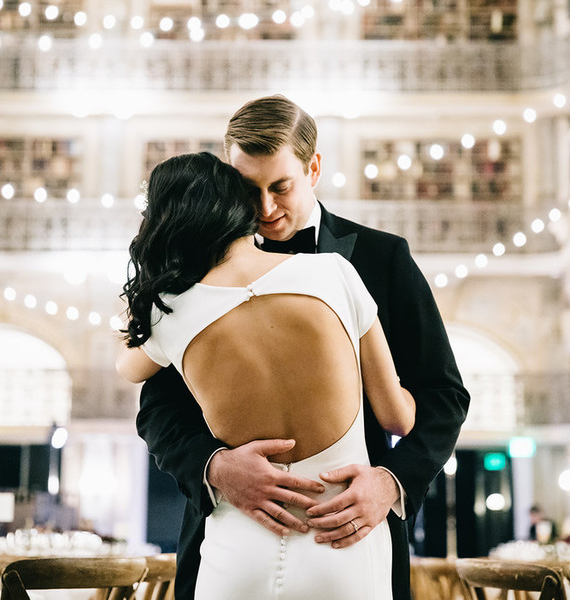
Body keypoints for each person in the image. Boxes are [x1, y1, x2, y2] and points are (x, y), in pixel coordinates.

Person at [135, 95, 470, 600]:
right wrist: (214, 467)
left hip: (350, 535)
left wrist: (391, 482)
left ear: (313, 168)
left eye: (281, 187)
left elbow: (444, 396)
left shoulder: (381, 258)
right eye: (249, 189)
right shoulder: (192, 273)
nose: (265, 210)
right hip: (227, 536)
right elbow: (158, 408)